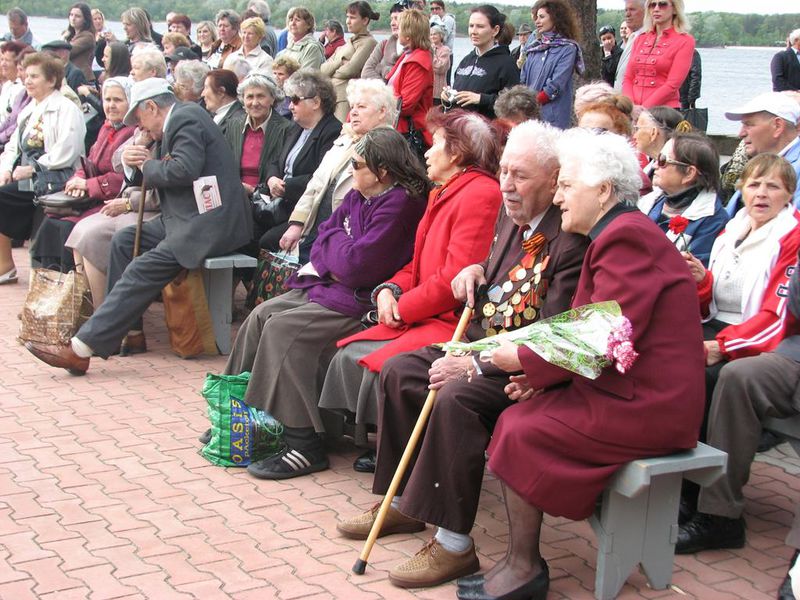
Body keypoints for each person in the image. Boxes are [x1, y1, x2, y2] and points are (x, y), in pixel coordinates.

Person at [333, 125, 592, 587]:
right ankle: (402, 502)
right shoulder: (512, 217)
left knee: (453, 394)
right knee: (401, 371)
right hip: (481, 338)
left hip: (521, 364)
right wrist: (478, 271)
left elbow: (548, 332)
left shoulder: (567, 237)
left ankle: (455, 545)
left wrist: (475, 362)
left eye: (521, 176)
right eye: (505, 172)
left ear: (555, 180)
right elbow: (493, 273)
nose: (507, 186)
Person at [461, 127, 704, 600]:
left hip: (651, 404)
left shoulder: (627, 236)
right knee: (520, 418)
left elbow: (602, 332)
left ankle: (524, 566)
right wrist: (538, 376)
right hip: (628, 388)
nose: (558, 194)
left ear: (605, 191)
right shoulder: (616, 232)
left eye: (567, 185)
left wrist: (522, 359)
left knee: (520, 429)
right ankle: (520, 561)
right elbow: (591, 325)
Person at [220, 128, 429, 479]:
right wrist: (340, 247)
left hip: (363, 299)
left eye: (358, 165)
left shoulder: (400, 204)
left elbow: (360, 266)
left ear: (384, 171)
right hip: (333, 285)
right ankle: (238, 417)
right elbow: (322, 239)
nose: (351, 172)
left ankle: (303, 441)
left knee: (283, 330)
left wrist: (339, 248)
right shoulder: (360, 195)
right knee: (259, 315)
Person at [24, 78, 252, 371]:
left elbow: (182, 169)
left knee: (142, 267)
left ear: (152, 107)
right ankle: (131, 333)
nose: (139, 126)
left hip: (209, 225)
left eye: (140, 119)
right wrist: (141, 153)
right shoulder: (176, 121)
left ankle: (82, 349)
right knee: (123, 241)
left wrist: (145, 163)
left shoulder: (185, 118)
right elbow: (165, 169)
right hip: (187, 218)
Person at [676, 155, 800, 559]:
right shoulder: (734, 229)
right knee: (667, 358)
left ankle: (705, 499)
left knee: (711, 377)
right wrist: (702, 280)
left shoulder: (791, 236)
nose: (761, 193)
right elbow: (718, 298)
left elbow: (776, 318)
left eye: (773, 187)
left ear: (790, 195)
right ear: (741, 190)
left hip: (757, 338)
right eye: (754, 185)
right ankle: (678, 483)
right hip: (726, 326)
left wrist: (721, 347)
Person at [278, 78, 398, 261]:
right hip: (315, 228)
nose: (354, 112)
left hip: (345, 238)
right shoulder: (345, 138)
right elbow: (316, 182)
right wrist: (297, 223)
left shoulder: (389, 149)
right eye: (353, 106)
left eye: (362, 107)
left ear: (382, 112)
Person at [29, 77, 137, 271]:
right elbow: (88, 161)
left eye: (118, 100)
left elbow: (123, 178)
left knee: (67, 227)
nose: (111, 105)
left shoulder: (134, 133)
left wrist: (88, 185)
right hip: (91, 198)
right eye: (107, 99)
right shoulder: (107, 128)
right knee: (50, 223)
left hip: (112, 201)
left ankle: (76, 291)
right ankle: (52, 288)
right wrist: (77, 178)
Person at [0, 53, 85, 285]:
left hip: (58, 177)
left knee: (4, 197)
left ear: (51, 80)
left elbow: (68, 150)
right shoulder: (30, 110)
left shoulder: (66, 108)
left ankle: (7, 266)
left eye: (34, 76)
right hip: (34, 176)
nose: (27, 81)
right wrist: (5, 169)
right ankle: (4, 265)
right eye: (26, 76)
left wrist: (33, 169)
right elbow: (12, 147)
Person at [258, 71, 342, 249]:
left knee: (266, 240)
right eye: (289, 100)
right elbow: (274, 161)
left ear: (316, 102)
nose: (290, 106)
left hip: (302, 209)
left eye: (295, 100)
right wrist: (272, 179)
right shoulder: (295, 128)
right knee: (243, 227)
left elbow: (322, 178)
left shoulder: (332, 132)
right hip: (278, 202)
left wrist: (284, 186)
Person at [637, 133, 728, 265]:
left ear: (689, 173)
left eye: (662, 160)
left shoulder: (712, 221)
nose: (654, 165)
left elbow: (690, 271)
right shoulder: (649, 201)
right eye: (656, 158)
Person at [223, 72, 294, 208]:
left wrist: (252, 191)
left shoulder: (286, 129)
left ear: (273, 99)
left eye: (261, 96)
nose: (255, 103)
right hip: (234, 197)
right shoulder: (234, 124)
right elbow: (224, 162)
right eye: (249, 97)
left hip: (267, 203)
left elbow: (281, 173)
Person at [723, 92, 800, 216]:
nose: (741, 133)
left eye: (749, 124)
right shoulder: (763, 164)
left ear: (778, 126)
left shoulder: (794, 168)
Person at [444, 5, 519, 120]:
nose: (473, 31)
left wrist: (482, 99)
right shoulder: (466, 61)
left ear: (495, 30)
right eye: (471, 26)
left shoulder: (507, 64)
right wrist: (449, 97)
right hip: (459, 130)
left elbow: (514, 104)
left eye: (480, 26)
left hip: (488, 132)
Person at [520, 0, 584, 129]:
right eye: (536, 17)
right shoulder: (534, 48)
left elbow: (556, 84)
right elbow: (523, 79)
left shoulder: (568, 48)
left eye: (542, 17)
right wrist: (522, 101)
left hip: (553, 116)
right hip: (529, 114)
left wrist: (535, 102)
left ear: (555, 18)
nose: (537, 21)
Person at [622, 0, 695, 108]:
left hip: (663, 112)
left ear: (675, 9)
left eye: (662, 4)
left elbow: (672, 85)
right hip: (633, 111)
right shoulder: (640, 39)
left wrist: (643, 109)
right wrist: (631, 107)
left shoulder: (685, 41)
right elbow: (628, 77)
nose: (656, 9)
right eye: (652, 5)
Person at [321, 2, 379, 123]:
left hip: (345, 99)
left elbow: (349, 70)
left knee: (340, 132)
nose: (348, 21)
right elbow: (322, 70)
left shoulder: (369, 42)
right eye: (347, 17)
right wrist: (340, 61)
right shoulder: (348, 43)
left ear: (365, 20)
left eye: (352, 17)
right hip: (331, 95)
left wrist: (335, 68)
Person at [386, 9, 433, 155]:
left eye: (399, 27)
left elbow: (406, 105)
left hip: (407, 131)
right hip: (397, 127)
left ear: (408, 33)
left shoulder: (418, 61)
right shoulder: (409, 55)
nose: (396, 29)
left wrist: (382, 105)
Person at [633, 105, 685, 180]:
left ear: (653, 133)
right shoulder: (656, 165)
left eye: (637, 129)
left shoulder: (670, 176)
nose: (634, 136)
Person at [0, 46, 34, 150]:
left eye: (7, 60)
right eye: (2, 59)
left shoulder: (23, 89)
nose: (2, 64)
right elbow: (8, 121)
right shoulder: (9, 86)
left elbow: (15, 125)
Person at [361, 2, 403, 82]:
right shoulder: (383, 45)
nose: (392, 23)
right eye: (391, 19)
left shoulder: (414, 48)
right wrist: (386, 89)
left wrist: (381, 68)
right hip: (381, 93)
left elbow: (403, 79)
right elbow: (366, 72)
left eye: (396, 18)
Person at [202, 69, 246, 138]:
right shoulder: (212, 116)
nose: (202, 94)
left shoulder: (238, 122)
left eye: (206, 88)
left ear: (221, 92)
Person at [614, 0, 645, 91]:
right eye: (626, 10)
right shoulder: (633, 37)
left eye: (632, 9)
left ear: (645, 11)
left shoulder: (648, 39)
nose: (627, 14)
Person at [429, 0, 455, 82]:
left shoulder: (448, 19)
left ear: (443, 9)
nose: (434, 11)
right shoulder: (433, 20)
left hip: (445, 54)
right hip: (434, 52)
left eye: (437, 8)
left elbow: (443, 37)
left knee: (445, 81)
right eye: (432, 9)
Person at [430, 26, 451, 103]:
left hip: (439, 93)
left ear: (441, 36)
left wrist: (432, 53)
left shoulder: (445, 50)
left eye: (435, 34)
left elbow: (440, 68)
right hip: (428, 91)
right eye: (431, 34)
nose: (432, 36)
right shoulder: (427, 49)